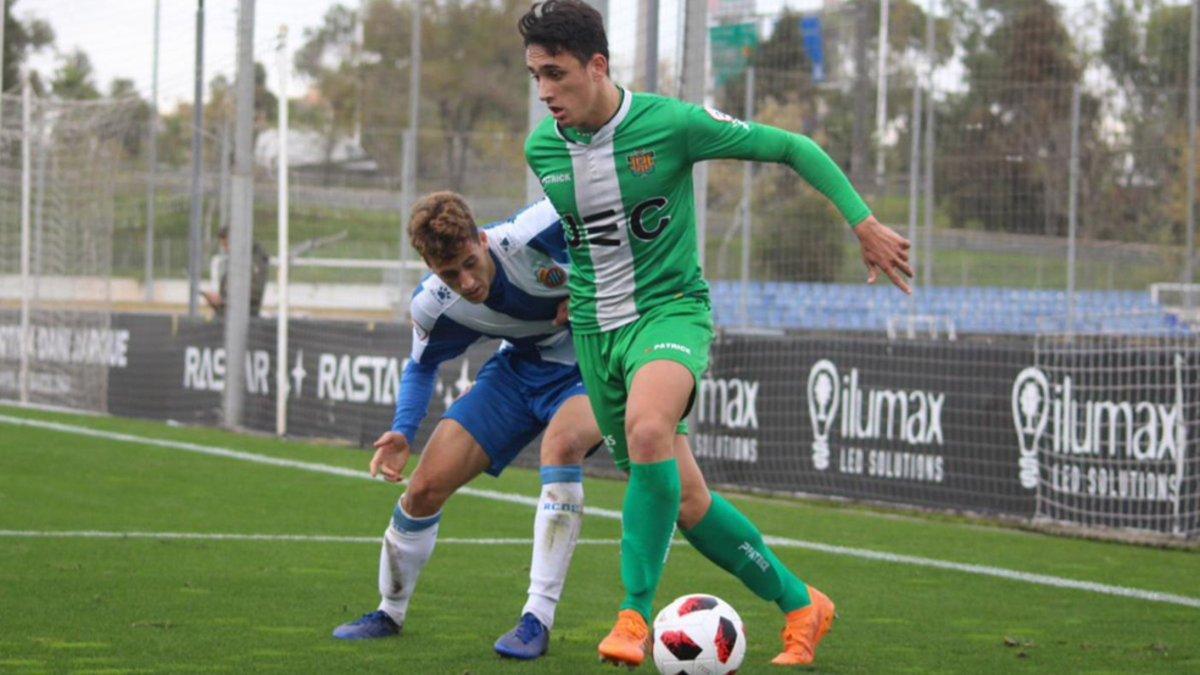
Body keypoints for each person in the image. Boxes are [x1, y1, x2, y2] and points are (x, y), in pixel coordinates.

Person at [519, 0, 913, 667]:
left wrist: (862, 222)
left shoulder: (669, 125)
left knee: (648, 430)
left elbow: (790, 147)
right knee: (687, 498)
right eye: (535, 76)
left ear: (597, 64)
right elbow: (586, 244)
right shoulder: (543, 148)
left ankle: (633, 617)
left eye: (555, 73)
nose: (545, 92)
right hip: (595, 334)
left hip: (670, 312)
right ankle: (800, 603)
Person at [331, 192, 600, 660]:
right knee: (424, 488)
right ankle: (388, 612)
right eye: (449, 274)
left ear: (481, 238)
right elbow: (420, 367)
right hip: (519, 370)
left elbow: (620, 228)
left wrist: (593, 291)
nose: (467, 282)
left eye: (470, 263)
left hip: (594, 363)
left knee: (561, 448)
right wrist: (402, 431)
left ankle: (536, 618)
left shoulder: (538, 226)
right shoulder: (433, 305)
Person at [201, 226, 270, 317]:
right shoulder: (238, 260)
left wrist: (223, 300)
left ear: (237, 241)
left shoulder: (255, 260)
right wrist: (218, 302)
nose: (226, 249)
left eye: (227, 245)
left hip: (244, 319)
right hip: (228, 317)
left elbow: (253, 294)